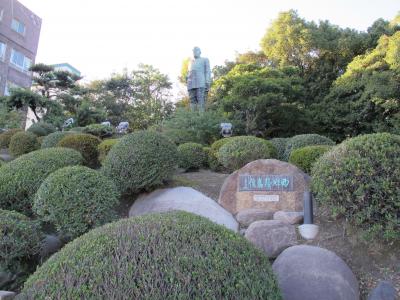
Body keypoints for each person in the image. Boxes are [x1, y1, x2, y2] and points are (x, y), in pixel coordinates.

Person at [186, 47, 211, 111]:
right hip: (191, 83)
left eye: (196, 50)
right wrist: (187, 79)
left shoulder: (205, 59)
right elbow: (188, 72)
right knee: (192, 100)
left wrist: (207, 81)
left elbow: (207, 71)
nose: (194, 52)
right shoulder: (190, 62)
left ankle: (201, 118)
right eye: (193, 51)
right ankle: (192, 117)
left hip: (201, 82)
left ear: (200, 52)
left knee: (201, 100)